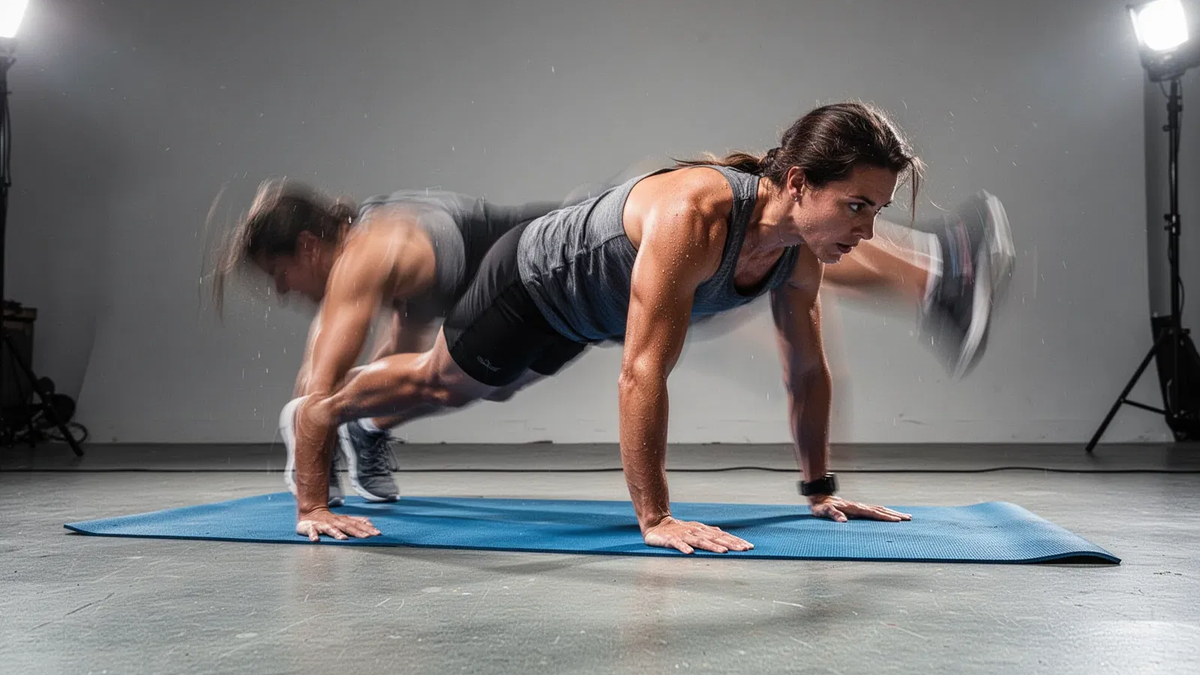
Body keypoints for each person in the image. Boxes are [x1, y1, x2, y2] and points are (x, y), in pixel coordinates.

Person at [276, 101, 1016, 552]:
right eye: (857, 205)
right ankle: (323, 416)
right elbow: (642, 371)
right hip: (530, 283)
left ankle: (357, 424)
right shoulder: (693, 217)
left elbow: (807, 371)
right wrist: (656, 517)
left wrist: (820, 488)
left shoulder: (796, 254)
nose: (866, 225)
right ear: (798, 183)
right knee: (443, 384)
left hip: (579, 314)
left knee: (478, 392)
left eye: (877, 210)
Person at [213, 183, 563, 505]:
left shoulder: (365, 256)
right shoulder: (367, 251)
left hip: (530, 259)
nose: (282, 291)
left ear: (307, 246)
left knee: (475, 383)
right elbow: (339, 379)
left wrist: (314, 478)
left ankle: (358, 426)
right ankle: (354, 426)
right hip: (479, 278)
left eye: (279, 272)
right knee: (453, 381)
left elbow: (323, 387)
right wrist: (313, 499)